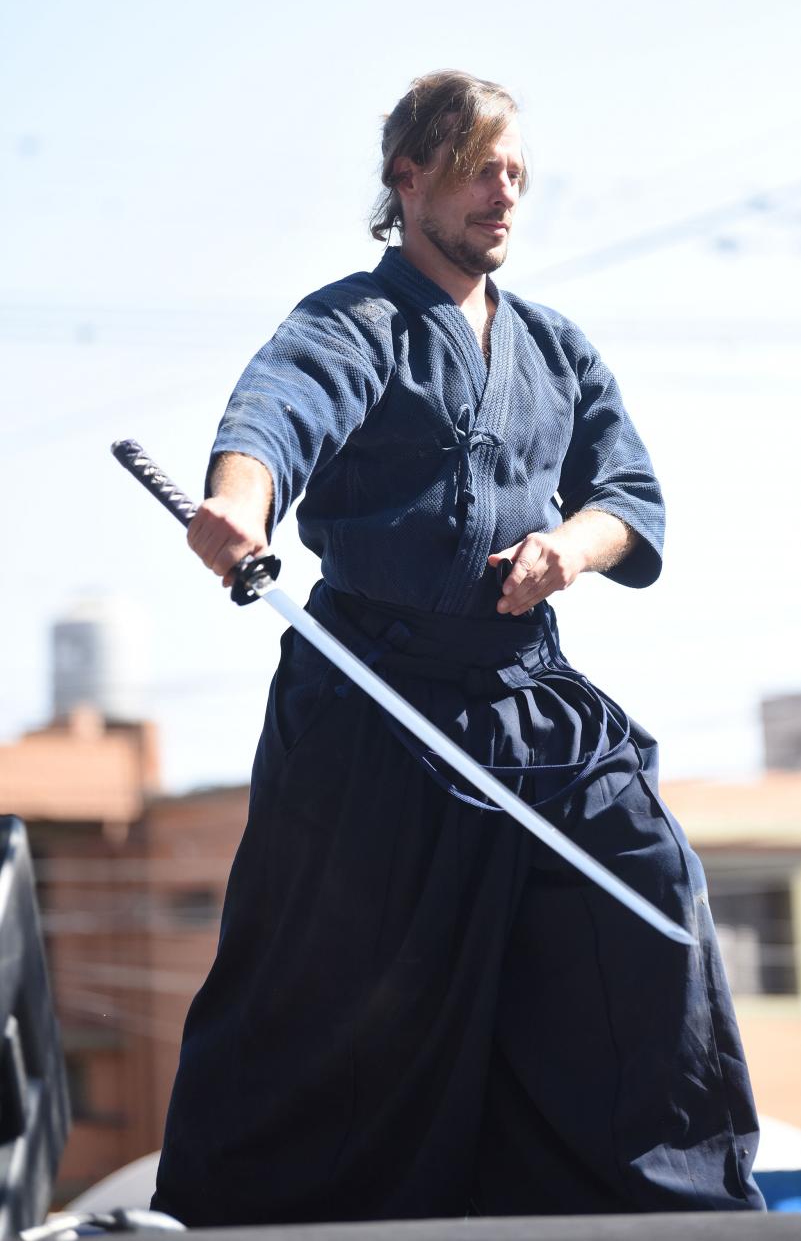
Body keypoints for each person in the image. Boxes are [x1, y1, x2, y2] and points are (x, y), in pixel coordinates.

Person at [152, 70, 765, 1223]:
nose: (504, 195)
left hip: (525, 699)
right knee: (334, 985)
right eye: (482, 168)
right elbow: (274, 418)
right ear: (408, 178)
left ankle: (658, 1209)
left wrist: (565, 553)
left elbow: (626, 496)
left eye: (518, 175)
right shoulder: (347, 322)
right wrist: (238, 506)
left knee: (645, 898)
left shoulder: (554, 344)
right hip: (368, 703)